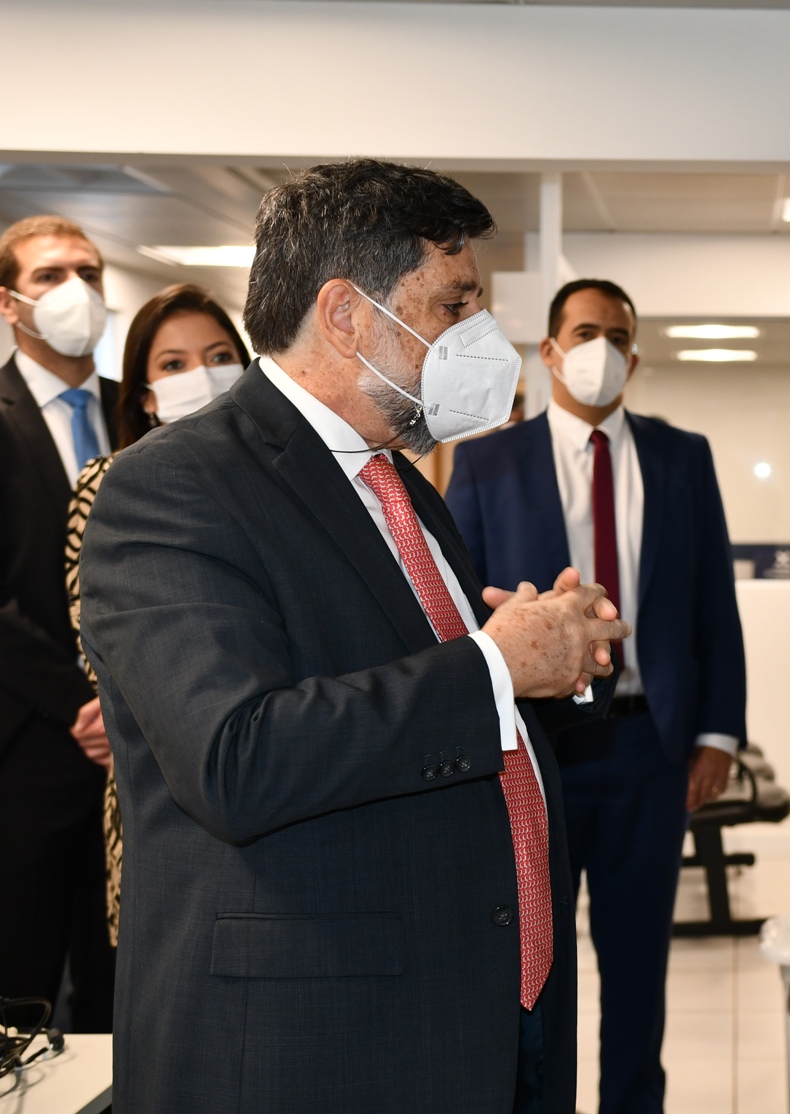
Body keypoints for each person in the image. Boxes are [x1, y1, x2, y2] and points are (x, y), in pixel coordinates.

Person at [79, 158, 631, 1114]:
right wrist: (497, 663)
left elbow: (432, 701)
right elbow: (236, 757)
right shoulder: (173, 487)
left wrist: (555, 657)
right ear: (345, 314)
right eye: (455, 302)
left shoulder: (396, 480)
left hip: (483, 1006)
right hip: (321, 1042)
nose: (479, 335)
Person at [447, 278, 746, 1114]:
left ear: (636, 356)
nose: (601, 349)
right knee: (534, 965)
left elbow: (712, 603)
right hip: (534, 748)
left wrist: (718, 734)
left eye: (618, 334)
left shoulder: (683, 456)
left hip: (649, 746)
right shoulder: (486, 463)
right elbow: (460, 613)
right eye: (584, 331)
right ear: (548, 351)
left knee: (639, 964)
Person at [64, 283, 252, 948]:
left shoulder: (280, 483)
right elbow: (102, 642)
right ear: (144, 395)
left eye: (219, 354)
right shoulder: (111, 482)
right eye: (173, 364)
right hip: (163, 784)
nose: (201, 375)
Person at [0, 214, 118, 1031]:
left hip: (142, 754)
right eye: (50, 275)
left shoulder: (137, 410)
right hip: (31, 749)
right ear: (10, 303)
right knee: (23, 980)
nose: (75, 289)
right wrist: (85, 701)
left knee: (126, 987)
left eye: (88, 271)